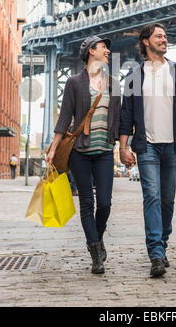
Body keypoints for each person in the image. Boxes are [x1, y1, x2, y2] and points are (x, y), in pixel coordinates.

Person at [119, 23, 176, 278]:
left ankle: (162, 246)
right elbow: (126, 115)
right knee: (152, 197)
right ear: (145, 42)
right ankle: (155, 253)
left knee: (167, 200)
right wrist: (123, 147)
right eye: (158, 36)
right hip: (147, 146)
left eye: (166, 36)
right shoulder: (134, 76)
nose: (164, 39)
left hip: (174, 145)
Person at [46, 36, 121, 275]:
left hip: (105, 152)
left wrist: (126, 146)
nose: (108, 50)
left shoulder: (113, 83)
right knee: (87, 202)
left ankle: (97, 238)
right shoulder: (74, 83)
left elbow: (118, 119)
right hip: (80, 152)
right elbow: (64, 117)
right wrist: (53, 148)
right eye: (103, 47)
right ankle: (95, 254)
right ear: (91, 51)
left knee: (106, 203)